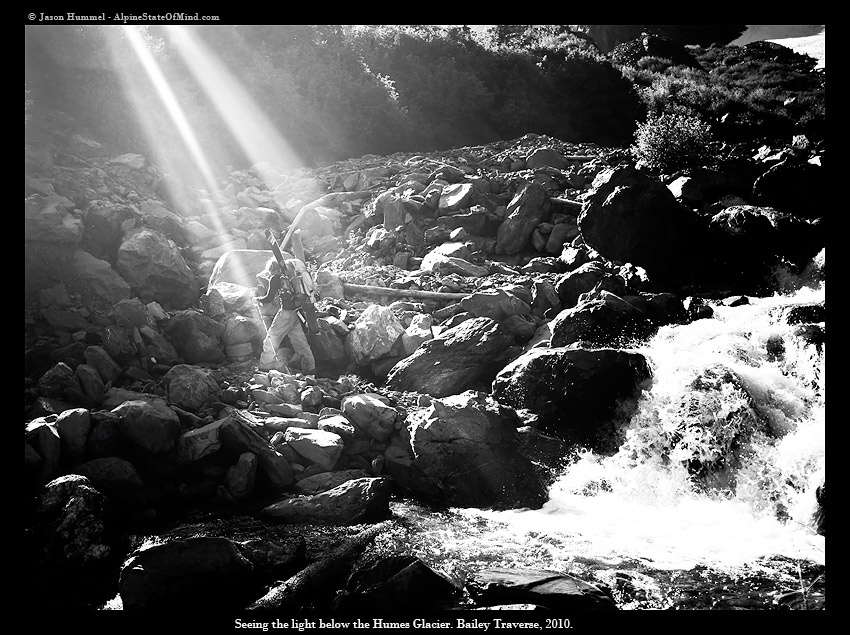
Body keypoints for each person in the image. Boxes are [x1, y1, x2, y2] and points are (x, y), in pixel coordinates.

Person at [255, 255, 316, 376]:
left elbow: (268, 298)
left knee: (271, 340)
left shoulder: (275, 278)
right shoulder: (291, 276)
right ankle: (310, 370)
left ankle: (264, 367)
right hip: (297, 313)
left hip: (285, 314)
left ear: (272, 269)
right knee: (301, 344)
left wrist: (256, 298)